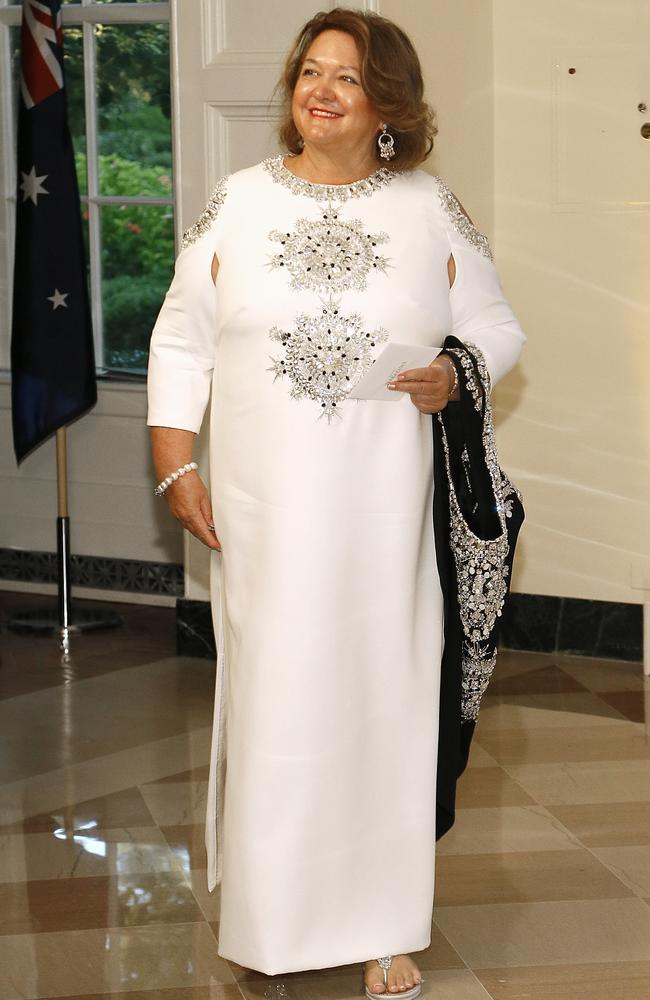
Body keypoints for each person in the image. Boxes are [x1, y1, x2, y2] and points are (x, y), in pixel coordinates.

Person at [147, 7, 526, 996]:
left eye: (345, 78)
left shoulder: (426, 207)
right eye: (308, 72)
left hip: (381, 505)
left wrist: (455, 369)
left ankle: (383, 928)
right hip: (260, 506)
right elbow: (180, 337)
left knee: (381, 694)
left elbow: (493, 322)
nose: (318, 90)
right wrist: (174, 459)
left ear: (387, 104)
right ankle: (271, 917)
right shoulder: (235, 202)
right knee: (277, 693)